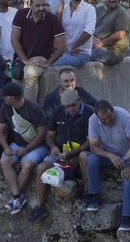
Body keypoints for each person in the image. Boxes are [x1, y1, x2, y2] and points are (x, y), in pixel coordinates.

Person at [28, 88, 93, 222]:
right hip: (61, 154)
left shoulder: (89, 112)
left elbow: (89, 141)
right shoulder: (58, 112)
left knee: (84, 157)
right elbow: (50, 135)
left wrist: (72, 153)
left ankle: (87, 193)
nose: (70, 109)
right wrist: (53, 147)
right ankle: (40, 207)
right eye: (67, 107)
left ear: (79, 101)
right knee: (41, 168)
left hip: (78, 152)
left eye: (73, 105)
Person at [79, 99, 130, 231]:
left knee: (127, 177)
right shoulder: (92, 120)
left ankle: (127, 217)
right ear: (98, 117)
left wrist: (129, 165)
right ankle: (95, 196)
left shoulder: (123, 116)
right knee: (91, 159)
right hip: (111, 155)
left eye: (110, 117)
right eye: (103, 120)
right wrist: (110, 155)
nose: (108, 121)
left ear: (113, 111)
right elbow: (93, 146)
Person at [0, 82, 48, 215]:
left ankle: (15, 198)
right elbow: (0, 131)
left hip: (37, 146)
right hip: (17, 144)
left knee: (27, 163)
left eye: (5, 96)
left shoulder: (34, 109)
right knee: (5, 161)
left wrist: (27, 148)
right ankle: (17, 196)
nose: (2, 98)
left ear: (12, 98)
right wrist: (6, 147)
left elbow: (42, 133)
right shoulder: (5, 107)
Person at [11, 0, 66, 102]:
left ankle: (29, 111)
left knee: (30, 74)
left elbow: (62, 45)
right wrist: (25, 60)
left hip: (41, 58)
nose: (41, 8)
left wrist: (48, 62)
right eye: (37, 5)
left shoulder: (52, 19)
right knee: (15, 86)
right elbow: (14, 39)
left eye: (43, 5)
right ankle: (16, 116)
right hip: (23, 57)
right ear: (30, 5)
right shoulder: (21, 14)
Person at [52, 0, 95, 68]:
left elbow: (88, 32)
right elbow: (57, 29)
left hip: (81, 54)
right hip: (65, 52)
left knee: (51, 64)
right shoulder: (64, 8)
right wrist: (58, 13)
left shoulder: (89, 9)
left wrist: (74, 46)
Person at [90, 0, 129, 65]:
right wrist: (93, 38)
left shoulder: (122, 12)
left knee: (86, 55)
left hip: (113, 51)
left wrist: (101, 43)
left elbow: (120, 35)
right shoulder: (97, 10)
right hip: (96, 47)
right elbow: (88, 28)